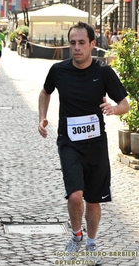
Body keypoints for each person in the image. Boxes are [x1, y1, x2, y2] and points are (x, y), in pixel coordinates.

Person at [38, 22, 129, 264]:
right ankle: (77, 236)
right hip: (69, 142)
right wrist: (42, 117)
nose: (76, 48)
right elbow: (45, 92)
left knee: (94, 199)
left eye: (81, 43)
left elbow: (125, 104)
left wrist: (114, 108)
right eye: (72, 43)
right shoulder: (58, 70)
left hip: (96, 143)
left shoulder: (103, 72)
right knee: (75, 195)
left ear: (92, 44)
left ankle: (91, 242)